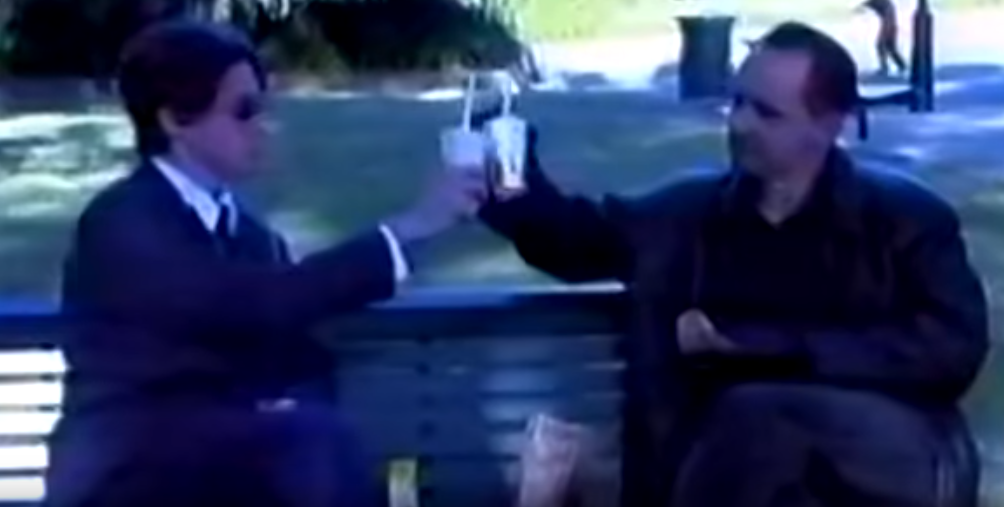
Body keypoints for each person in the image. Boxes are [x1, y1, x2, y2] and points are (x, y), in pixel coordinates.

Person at [478, 21, 987, 507]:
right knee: (743, 426)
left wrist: (769, 347)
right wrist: (503, 162)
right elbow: (570, 240)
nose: (740, 124)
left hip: (885, 461)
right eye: (738, 103)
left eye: (766, 112)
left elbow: (951, 347)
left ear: (829, 123)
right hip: (722, 472)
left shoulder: (903, 220)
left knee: (762, 413)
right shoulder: (685, 218)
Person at [45, 20, 486, 507]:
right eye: (243, 111)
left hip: (224, 470)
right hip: (126, 475)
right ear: (174, 119)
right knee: (311, 442)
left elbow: (288, 336)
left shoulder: (250, 235)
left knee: (331, 433)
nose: (263, 126)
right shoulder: (123, 222)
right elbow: (250, 305)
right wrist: (411, 227)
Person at [856, 0, 908, 76]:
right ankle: (901, 65)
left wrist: (862, 6)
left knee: (880, 45)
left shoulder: (882, 3)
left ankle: (885, 68)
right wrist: (862, 6)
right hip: (891, 23)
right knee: (890, 47)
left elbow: (872, 4)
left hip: (888, 23)